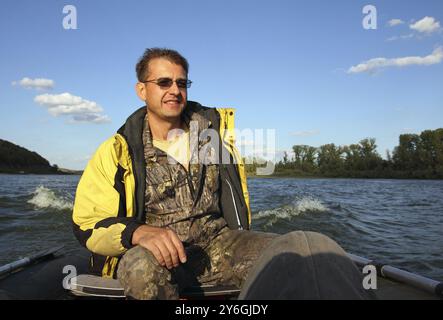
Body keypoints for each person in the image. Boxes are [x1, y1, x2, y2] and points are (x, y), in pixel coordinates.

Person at [72, 48, 373, 300]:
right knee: (140, 269)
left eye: (182, 82)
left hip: (220, 243)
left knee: (303, 250)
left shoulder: (213, 135)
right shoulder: (117, 149)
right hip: (158, 253)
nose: (175, 90)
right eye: (164, 82)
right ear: (142, 90)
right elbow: (87, 223)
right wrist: (138, 232)